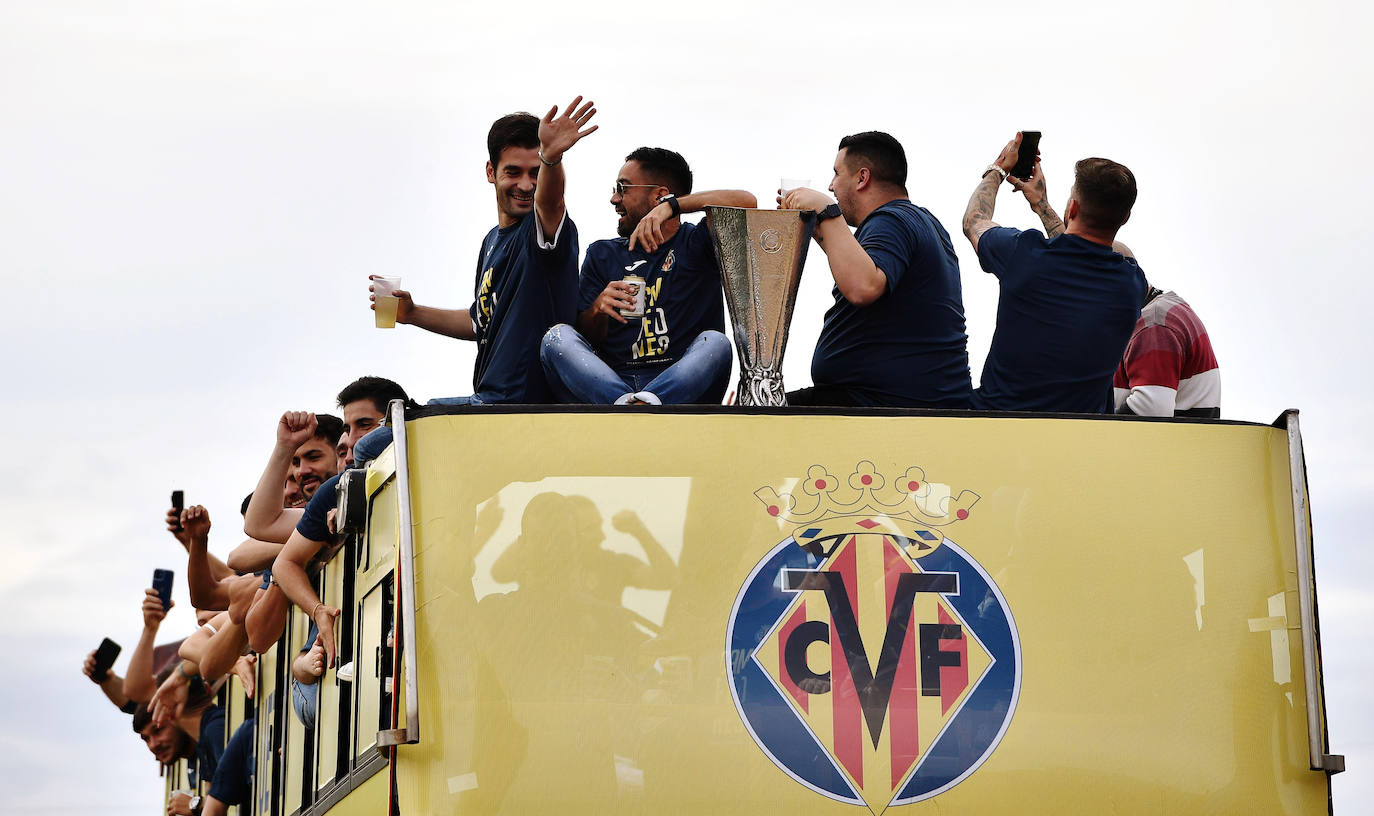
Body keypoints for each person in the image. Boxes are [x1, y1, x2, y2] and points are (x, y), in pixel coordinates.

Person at [372, 99, 598, 405]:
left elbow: (551, 203)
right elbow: (478, 322)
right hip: (489, 399)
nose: (526, 184)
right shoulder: (491, 241)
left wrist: (552, 160)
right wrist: (413, 314)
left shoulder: (542, 231)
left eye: (535, 173)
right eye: (513, 172)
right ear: (491, 171)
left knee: (378, 442)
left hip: (522, 404)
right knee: (385, 437)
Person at [540, 147, 750, 404]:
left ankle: (647, 402)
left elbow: (746, 202)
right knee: (556, 338)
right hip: (613, 381)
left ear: (660, 195)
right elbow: (587, 338)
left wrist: (671, 207)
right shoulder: (602, 253)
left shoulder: (696, 243)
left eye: (623, 188)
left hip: (682, 383)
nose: (615, 199)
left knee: (717, 343)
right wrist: (598, 310)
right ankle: (633, 405)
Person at [780, 131, 973, 408]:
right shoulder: (920, 221)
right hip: (906, 400)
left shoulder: (890, 220)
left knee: (749, 418)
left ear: (862, 177)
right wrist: (818, 227)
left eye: (836, 173)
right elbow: (861, 266)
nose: (831, 185)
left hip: (884, 406)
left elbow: (862, 286)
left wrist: (826, 209)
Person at [961, 133, 1145, 413]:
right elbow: (1090, 251)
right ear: (1126, 218)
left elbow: (974, 221)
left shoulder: (1023, 253)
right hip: (1076, 438)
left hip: (997, 423)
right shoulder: (1131, 284)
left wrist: (998, 169)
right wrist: (1042, 207)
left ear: (1072, 207)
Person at [1113, 286, 1221, 417]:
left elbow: (1150, 408)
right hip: (1185, 435)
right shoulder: (1161, 312)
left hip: (1164, 437)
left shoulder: (1153, 326)